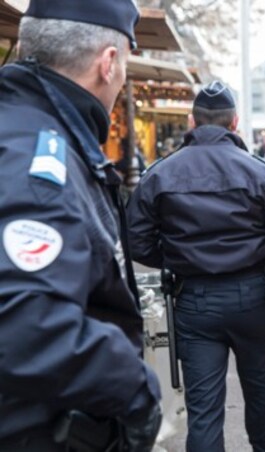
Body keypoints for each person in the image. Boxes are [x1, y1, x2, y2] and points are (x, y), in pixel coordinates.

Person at [0, 1, 163, 451]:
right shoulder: (40, 159)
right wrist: (137, 389)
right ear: (108, 64)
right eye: (126, 63)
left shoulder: (20, 129)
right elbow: (24, 323)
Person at [126, 81, 265, 452]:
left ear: (192, 121)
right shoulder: (261, 174)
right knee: (263, 399)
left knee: (204, 411)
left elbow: (138, 242)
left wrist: (178, 257)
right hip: (251, 298)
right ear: (235, 122)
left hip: (194, 300)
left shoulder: (160, 174)